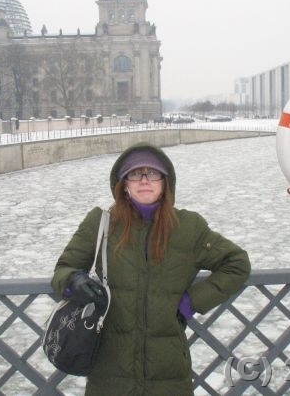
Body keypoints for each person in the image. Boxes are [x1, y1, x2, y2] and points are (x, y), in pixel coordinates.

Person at [51, 142, 251, 395]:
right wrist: (73, 281)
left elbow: (237, 263)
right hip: (109, 372)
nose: (144, 180)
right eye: (135, 173)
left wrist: (191, 302)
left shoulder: (188, 227)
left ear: (165, 182)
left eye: (153, 173)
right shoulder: (101, 223)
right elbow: (64, 268)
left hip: (168, 374)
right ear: (123, 183)